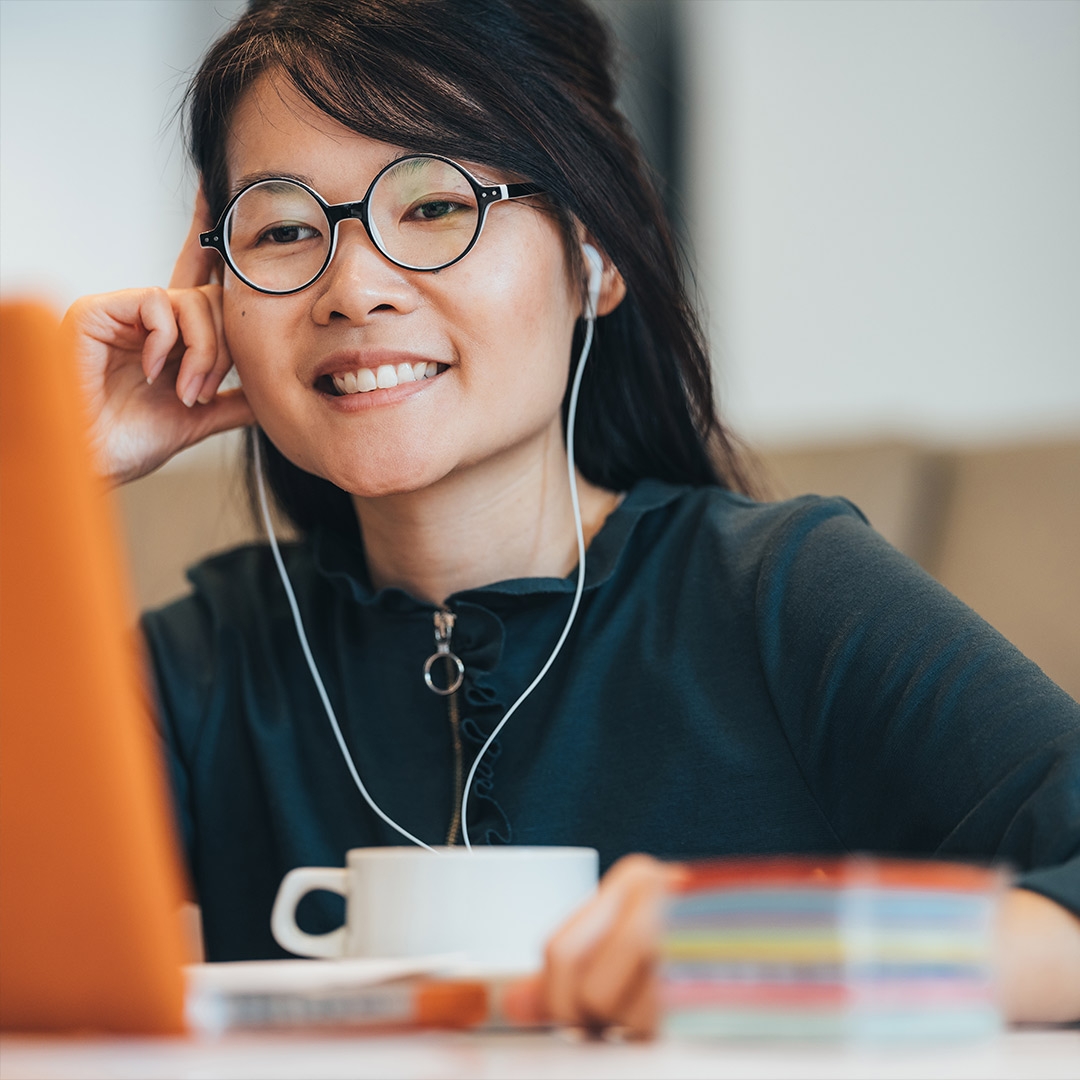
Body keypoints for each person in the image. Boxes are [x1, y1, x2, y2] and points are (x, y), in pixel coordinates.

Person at [62, 0, 1078, 1036]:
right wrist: (47, 462)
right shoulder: (202, 670)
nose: (353, 287)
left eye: (434, 205)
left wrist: (773, 952)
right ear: (217, 294)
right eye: (281, 230)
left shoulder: (783, 595)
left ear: (589, 254)